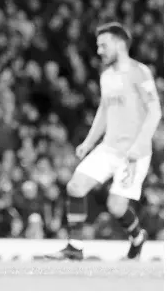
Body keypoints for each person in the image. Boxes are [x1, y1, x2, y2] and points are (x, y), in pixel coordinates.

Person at [45, 22, 161, 261]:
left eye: (103, 45)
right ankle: (75, 248)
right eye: (98, 46)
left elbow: (155, 111)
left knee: (116, 207)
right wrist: (89, 141)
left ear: (119, 44)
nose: (99, 51)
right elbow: (104, 110)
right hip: (109, 147)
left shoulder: (140, 72)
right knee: (75, 186)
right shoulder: (106, 75)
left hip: (134, 152)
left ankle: (137, 238)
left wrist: (141, 144)